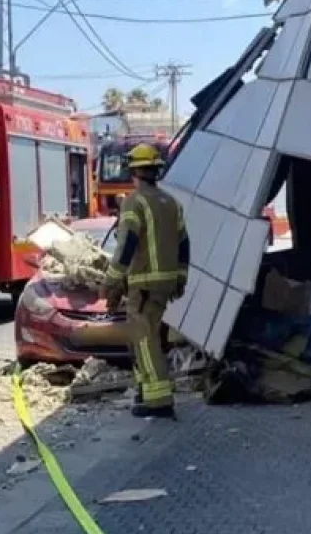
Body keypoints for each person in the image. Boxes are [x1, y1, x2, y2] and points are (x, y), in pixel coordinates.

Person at [105, 144, 189, 419]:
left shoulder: (135, 201)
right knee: (147, 336)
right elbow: (184, 244)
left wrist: (113, 281)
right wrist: (180, 276)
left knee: (144, 339)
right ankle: (145, 392)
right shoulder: (171, 203)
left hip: (143, 282)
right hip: (165, 282)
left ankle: (158, 401)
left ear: (134, 170)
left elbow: (127, 244)